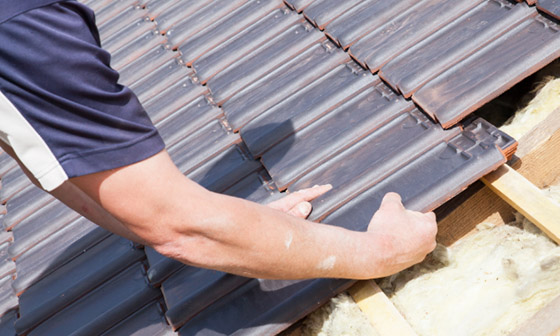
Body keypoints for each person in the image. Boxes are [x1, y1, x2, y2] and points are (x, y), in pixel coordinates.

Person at [0, 0, 437, 280]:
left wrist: (251, 230)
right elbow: (181, 229)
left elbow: (60, 167)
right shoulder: (24, 26)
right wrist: (378, 253)